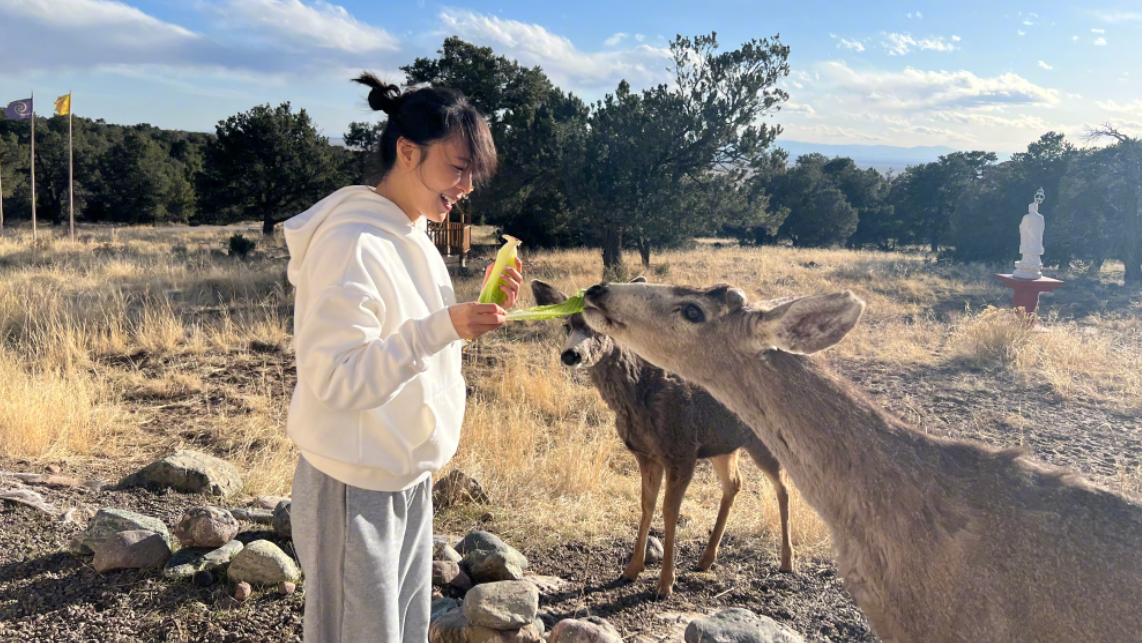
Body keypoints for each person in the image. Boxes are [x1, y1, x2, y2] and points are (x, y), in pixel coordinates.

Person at [283, 72, 522, 643]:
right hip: (352, 484)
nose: (466, 186)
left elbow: (414, 340)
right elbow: (337, 378)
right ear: (408, 151)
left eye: (473, 174)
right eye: (457, 168)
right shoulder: (351, 243)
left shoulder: (411, 232)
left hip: (402, 475)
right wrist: (440, 327)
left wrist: (467, 321)